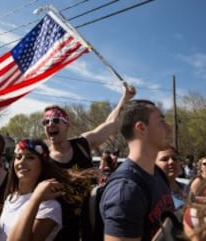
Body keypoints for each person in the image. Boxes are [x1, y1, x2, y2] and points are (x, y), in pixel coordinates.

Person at [42, 83, 136, 241]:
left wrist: (124, 98)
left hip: (90, 226)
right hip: (57, 233)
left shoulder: (82, 144)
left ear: (67, 125)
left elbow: (110, 125)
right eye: (46, 122)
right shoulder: (42, 157)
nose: (50, 124)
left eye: (56, 120)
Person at [99, 99, 175, 241]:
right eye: (161, 121)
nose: (168, 127)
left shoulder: (158, 173)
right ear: (141, 128)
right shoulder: (125, 192)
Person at [0, 138, 67, 241]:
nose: (22, 161)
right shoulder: (11, 197)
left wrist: (35, 199)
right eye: (18, 157)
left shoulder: (50, 206)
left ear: (42, 165)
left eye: (30, 157)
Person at [155, 146, 187, 210]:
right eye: (164, 159)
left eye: (175, 159)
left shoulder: (188, 188)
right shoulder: (153, 194)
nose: (171, 162)